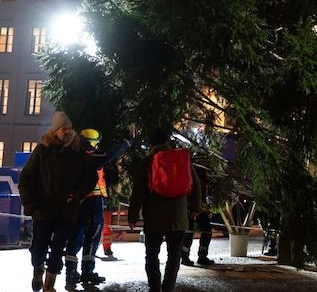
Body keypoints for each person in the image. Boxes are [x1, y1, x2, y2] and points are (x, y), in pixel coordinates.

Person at [18, 111, 98, 292]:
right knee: (38, 248)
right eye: (63, 128)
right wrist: (30, 204)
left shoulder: (78, 152)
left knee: (57, 249)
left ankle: (49, 284)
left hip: (67, 211)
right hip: (43, 209)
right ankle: (38, 268)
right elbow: (26, 178)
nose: (68, 131)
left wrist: (78, 194)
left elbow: (91, 177)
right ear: (55, 131)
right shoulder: (42, 150)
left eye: (70, 128)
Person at [128, 130, 201, 292]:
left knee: (152, 254)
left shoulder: (148, 162)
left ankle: (155, 288)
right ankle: (168, 288)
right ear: (167, 142)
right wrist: (195, 208)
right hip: (178, 216)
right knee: (174, 254)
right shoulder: (182, 160)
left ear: (151, 144)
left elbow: (138, 191)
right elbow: (196, 184)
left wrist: (132, 216)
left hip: (154, 216)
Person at [64, 128, 132, 289]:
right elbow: (108, 155)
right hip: (91, 202)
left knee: (77, 236)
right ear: (92, 143)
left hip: (79, 202)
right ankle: (85, 271)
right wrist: (127, 142)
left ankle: (73, 272)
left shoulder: (73, 154)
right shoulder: (89, 155)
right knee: (91, 236)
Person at [181, 160, 215, 266]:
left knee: (207, 232)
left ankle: (202, 256)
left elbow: (205, 195)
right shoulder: (193, 173)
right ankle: (184, 256)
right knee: (188, 232)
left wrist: (207, 208)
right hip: (190, 208)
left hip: (201, 209)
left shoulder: (205, 177)